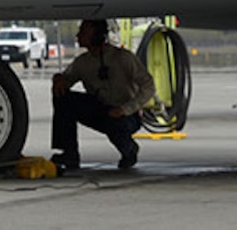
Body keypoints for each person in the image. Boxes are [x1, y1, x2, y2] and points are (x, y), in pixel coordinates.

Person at [48, 18, 156, 171]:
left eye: (83, 32)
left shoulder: (123, 58)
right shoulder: (82, 62)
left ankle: (129, 150)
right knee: (63, 98)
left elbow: (149, 86)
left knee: (115, 122)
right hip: (101, 109)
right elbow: (66, 80)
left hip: (126, 114)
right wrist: (58, 80)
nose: (78, 36)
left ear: (98, 36)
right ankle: (69, 153)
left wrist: (126, 109)